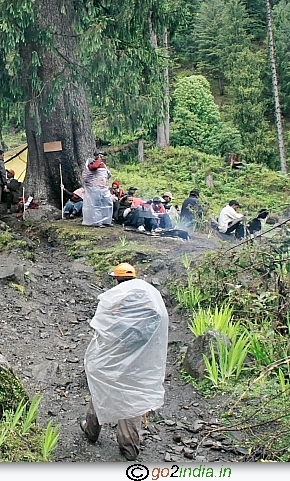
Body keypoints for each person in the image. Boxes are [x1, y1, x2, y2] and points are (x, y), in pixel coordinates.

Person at [80, 262, 169, 461]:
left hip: (116, 356)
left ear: (117, 279)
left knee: (102, 387)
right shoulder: (148, 297)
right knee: (131, 398)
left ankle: (91, 431)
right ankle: (129, 448)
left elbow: (105, 328)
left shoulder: (117, 298)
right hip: (138, 361)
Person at [82, 151, 113, 227]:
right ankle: (97, 222)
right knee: (97, 205)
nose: (101, 157)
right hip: (96, 188)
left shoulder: (103, 165)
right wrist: (98, 160)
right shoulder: (91, 164)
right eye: (98, 155)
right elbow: (93, 167)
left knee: (108, 203)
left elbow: (108, 175)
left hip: (104, 188)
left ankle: (107, 221)